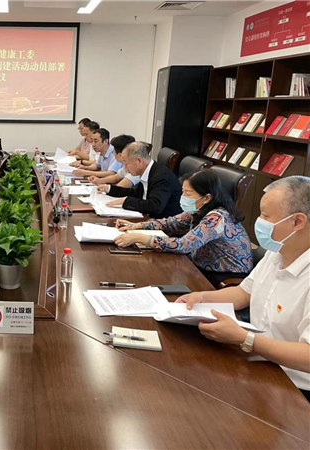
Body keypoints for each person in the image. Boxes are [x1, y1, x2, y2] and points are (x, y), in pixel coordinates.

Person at [176, 176, 310, 402]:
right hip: (260, 362)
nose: (259, 222)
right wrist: (202, 297)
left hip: (294, 388)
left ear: (297, 221)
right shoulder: (277, 252)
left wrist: (245, 339)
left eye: (265, 216)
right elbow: (243, 293)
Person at [114, 169, 253, 285]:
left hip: (225, 276)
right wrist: (137, 225)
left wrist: (141, 238)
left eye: (188, 193)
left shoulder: (217, 218)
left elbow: (183, 245)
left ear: (206, 198)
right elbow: (171, 223)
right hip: (201, 265)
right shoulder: (199, 209)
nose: (184, 197)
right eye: (183, 192)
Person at [101, 141, 182, 218]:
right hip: (147, 218)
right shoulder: (148, 171)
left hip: (163, 222)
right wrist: (109, 189)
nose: (125, 168)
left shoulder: (161, 177)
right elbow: (135, 193)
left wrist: (127, 201)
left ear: (139, 161)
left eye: (126, 163)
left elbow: (155, 206)